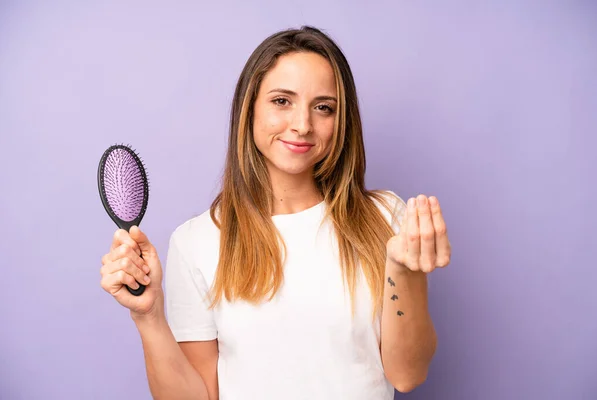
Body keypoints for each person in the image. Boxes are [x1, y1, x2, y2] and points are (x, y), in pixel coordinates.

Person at [100, 25, 451, 400]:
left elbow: (407, 374)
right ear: (249, 108)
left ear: (341, 120)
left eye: (323, 107)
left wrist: (403, 271)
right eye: (282, 101)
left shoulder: (384, 216)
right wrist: (148, 316)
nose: (302, 125)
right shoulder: (196, 241)